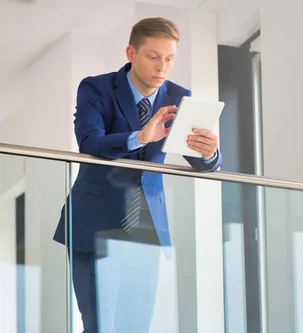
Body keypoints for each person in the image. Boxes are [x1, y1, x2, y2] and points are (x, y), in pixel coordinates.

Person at [52, 17, 222, 333]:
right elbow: (90, 141)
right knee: (99, 325)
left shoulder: (178, 96)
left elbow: (200, 160)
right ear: (131, 53)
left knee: (137, 325)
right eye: (153, 56)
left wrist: (209, 153)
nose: (162, 67)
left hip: (145, 228)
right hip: (94, 223)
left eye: (169, 58)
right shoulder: (96, 87)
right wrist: (140, 136)